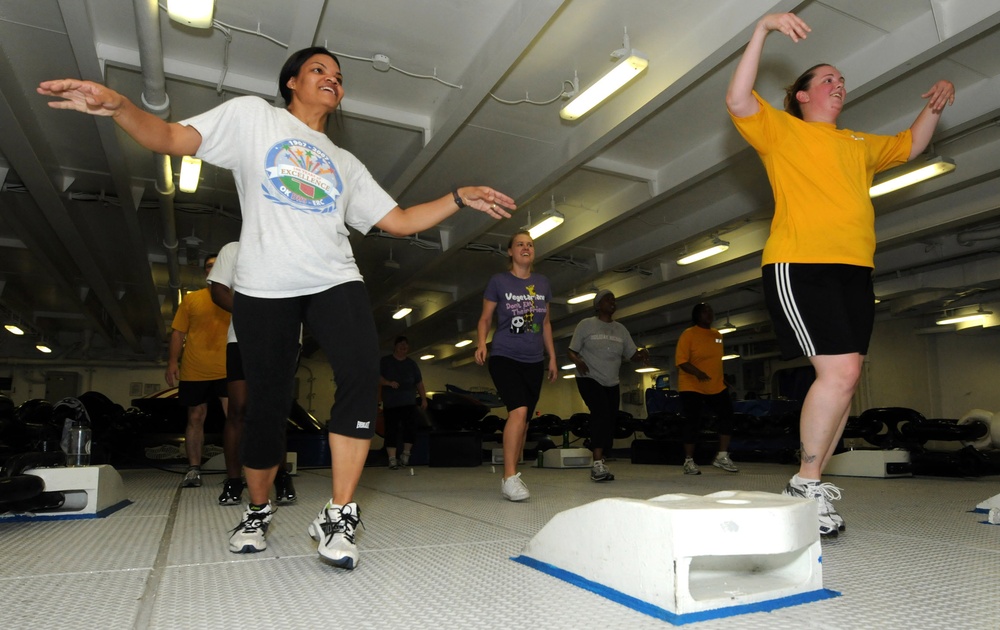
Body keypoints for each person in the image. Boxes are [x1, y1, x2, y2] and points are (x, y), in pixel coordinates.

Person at [39, 46, 514, 568]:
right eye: (319, 70)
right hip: (266, 284)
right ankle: (259, 509)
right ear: (291, 81)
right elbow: (171, 137)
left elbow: (398, 220)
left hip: (335, 278)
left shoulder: (345, 162)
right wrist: (119, 108)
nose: (332, 80)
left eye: (338, 76)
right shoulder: (253, 119)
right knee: (266, 404)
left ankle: (339, 512)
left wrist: (458, 197)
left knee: (359, 372)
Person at [726, 12, 954, 536]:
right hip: (801, 265)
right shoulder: (780, 131)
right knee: (840, 373)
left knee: (846, 381)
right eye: (826, 79)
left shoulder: (857, 144)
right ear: (802, 96)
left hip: (855, 271)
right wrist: (761, 29)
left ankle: (811, 485)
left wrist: (934, 103)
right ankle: (805, 483)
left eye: (841, 81)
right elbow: (739, 99)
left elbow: (911, 145)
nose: (838, 85)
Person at [208, 241, 296, 506]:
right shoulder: (233, 249)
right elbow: (218, 290)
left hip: (284, 339)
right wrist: (253, 314)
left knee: (275, 410)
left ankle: (280, 476)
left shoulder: (291, 248)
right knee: (239, 408)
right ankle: (234, 480)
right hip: (243, 339)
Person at [475, 230, 557, 502]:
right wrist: (482, 343)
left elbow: (545, 322)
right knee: (518, 410)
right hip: (504, 356)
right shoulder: (499, 281)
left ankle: (512, 475)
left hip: (534, 361)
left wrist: (552, 358)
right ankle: (509, 477)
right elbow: (486, 318)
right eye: (520, 244)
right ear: (510, 252)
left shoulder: (542, 283)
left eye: (530, 245)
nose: (526, 248)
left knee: (523, 422)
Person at [567, 289, 648, 482]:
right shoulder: (586, 325)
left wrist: (641, 354)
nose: (612, 302)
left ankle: (599, 455)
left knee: (610, 419)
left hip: (611, 381)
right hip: (588, 376)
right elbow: (571, 351)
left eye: (614, 300)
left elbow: (632, 354)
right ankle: (597, 464)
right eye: (607, 299)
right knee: (601, 413)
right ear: (597, 305)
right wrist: (578, 361)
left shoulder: (620, 329)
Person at [165, 254, 230, 488]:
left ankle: (236, 470)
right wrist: (172, 362)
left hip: (228, 368)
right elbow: (177, 333)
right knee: (195, 417)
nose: (211, 269)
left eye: (215, 265)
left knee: (234, 419)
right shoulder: (192, 300)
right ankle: (194, 469)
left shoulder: (236, 298)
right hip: (195, 368)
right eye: (208, 267)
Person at [675, 303, 739, 476]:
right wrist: (698, 373)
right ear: (697, 316)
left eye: (711, 311)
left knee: (727, 415)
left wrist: (722, 377)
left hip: (715, 385)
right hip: (692, 385)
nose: (709, 314)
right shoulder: (688, 334)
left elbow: (715, 361)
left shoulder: (717, 335)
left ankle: (722, 456)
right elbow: (681, 361)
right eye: (705, 311)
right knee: (693, 422)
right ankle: (689, 461)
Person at [379, 335, 427, 469]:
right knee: (391, 430)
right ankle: (392, 458)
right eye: (400, 344)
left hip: (409, 402)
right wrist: (388, 383)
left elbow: (419, 382)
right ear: (395, 347)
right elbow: (377, 377)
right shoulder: (386, 361)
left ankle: (406, 455)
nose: (403, 347)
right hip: (391, 403)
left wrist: (423, 398)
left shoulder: (412, 364)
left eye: (405, 345)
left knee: (410, 429)